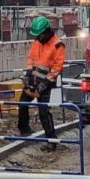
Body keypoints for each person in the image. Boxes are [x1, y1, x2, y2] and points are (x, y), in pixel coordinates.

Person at [19, 15, 63, 147]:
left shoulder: (58, 45)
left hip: (45, 83)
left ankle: (52, 141)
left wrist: (44, 85)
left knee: (43, 112)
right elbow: (31, 59)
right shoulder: (37, 41)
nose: (37, 38)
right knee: (22, 104)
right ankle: (24, 130)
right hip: (32, 80)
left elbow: (56, 68)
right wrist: (27, 74)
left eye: (39, 35)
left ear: (47, 31)